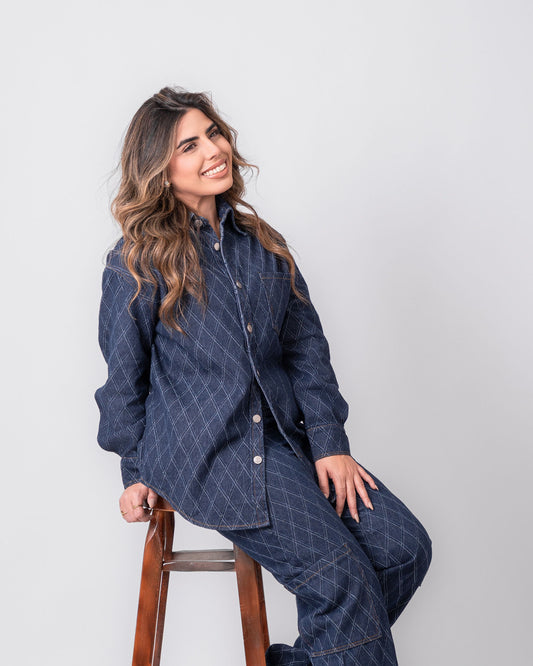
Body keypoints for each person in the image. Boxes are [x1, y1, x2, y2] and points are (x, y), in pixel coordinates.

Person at [94, 86, 432, 665]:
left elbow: (306, 350)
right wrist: (134, 470)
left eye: (214, 134)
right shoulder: (136, 261)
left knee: (404, 548)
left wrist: (329, 442)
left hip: (284, 440)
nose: (213, 150)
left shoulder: (263, 246)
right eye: (189, 146)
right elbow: (125, 380)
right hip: (210, 456)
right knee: (341, 581)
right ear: (158, 169)